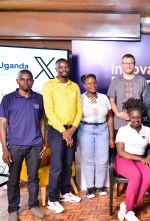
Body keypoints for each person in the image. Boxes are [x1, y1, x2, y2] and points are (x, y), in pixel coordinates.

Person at [0, 70, 46, 221]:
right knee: (14, 180)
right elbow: (2, 124)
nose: (26, 82)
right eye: (23, 79)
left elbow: (41, 121)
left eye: (29, 80)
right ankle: (13, 210)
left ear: (33, 81)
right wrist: (5, 149)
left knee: (33, 178)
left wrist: (43, 142)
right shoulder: (8, 99)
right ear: (17, 81)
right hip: (15, 146)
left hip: (35, 145)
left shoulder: (38, 98)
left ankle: (33, 206)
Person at [43, 58, 83, 213]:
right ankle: (53, 200)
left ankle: (65, 192)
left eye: (66, 66)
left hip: (71, 129)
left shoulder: (75, 87)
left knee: (68, 164)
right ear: (56, 69)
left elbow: (79, 109)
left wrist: (72, 129)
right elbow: (49, 112)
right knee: (57, 166)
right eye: (61, 67)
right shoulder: (49, 86)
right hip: (56, 131)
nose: (64, 69)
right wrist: (64, 133)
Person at [114, 98, 150, 221]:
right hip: (123, 159)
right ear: (128, 116)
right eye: (133, 117)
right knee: (136, 175)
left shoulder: (147, 130)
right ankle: (129, 211)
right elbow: (120, 151)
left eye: (138, 117)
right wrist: (140, 159)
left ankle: (128, 206)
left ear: (141, 116)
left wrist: (149, 156)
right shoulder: (123, 130)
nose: (136, 120)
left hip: (140, 160)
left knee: (149, 175)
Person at [77, 74, 114, 198]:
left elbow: (109, 118)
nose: (92, 85)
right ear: (84, 85)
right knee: (88, 160)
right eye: (89, 83)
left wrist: (111, 137)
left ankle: (100, 185)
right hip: (85, 129)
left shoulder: (104, 98)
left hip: (103, 130)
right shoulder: (80, 98)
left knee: (102, 159)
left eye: (94, 83)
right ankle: (90, 187)